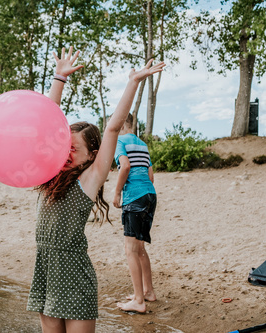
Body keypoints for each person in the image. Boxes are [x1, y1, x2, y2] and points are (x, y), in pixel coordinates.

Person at [26, 46, 165, 332]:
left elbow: (113, 128)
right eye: (64, 146)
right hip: (45, 269)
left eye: (73, 149)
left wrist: (133, 82)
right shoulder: (51, 174)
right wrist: (58, 78)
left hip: (74, 274)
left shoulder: (89, 179)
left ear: (92, 155)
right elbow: (47, 128)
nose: (65, 152)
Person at [112, 113, 157, 314]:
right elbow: (151, 176)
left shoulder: (120, 141)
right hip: (150, 195)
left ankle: (139, 301)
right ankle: (148, 291)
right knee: (139, 248)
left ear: (120, 125)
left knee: (130, 249)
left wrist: (117, 192)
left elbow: (126, 166)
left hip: (135, 198)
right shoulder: (142, 145)